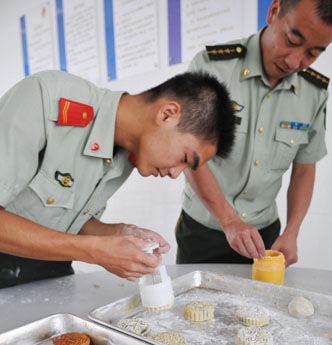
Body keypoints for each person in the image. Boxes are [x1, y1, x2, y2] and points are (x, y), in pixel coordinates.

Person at [0, 70, 235, 288]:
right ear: (167, 114)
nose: (176, 173)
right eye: (184, 158)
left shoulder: (128, 154)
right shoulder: (44, 98)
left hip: (46, 277)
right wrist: (93, 251)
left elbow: (61, 218)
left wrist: (115, 234)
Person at [176, 0, 332, 267]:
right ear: (273, 12)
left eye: (313, 54)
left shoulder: (314, 92)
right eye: (292, 41)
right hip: (203, 231)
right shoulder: (212, 67)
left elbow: (305, 167)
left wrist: (292, 232)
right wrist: (230, 221)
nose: (295, 61)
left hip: (266, 234)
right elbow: (190, 154)